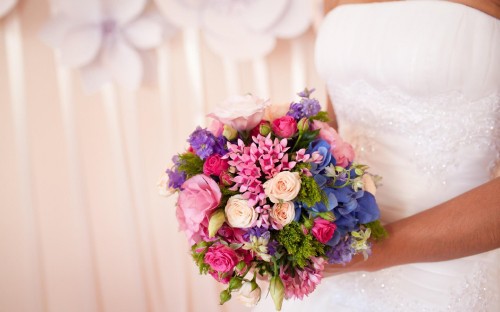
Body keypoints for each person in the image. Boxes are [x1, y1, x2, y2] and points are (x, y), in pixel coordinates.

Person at [254, 0, 500, 310]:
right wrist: (260, 193)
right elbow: (339, 126)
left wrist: (370, 252)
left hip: (446, 268)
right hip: (337, 256)